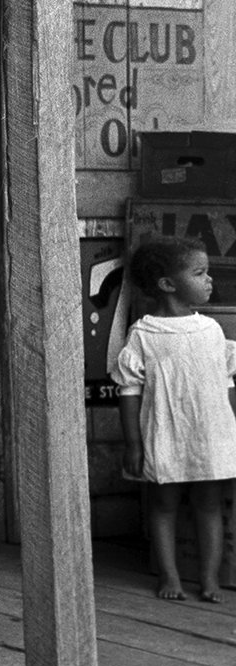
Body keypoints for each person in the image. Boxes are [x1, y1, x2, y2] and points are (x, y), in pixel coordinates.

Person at [112, 236, 236, 602]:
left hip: (210, 436)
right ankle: (170, 576)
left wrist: (232, 430)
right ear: (168, 284)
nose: (209, 280)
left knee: (209, 505)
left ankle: (209, 579)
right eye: (199, 273)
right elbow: (129, 392)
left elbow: (226, 383)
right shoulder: (144, 334)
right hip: (165, 436)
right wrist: (134, 444)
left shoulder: (211, 330)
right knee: (163, 505)